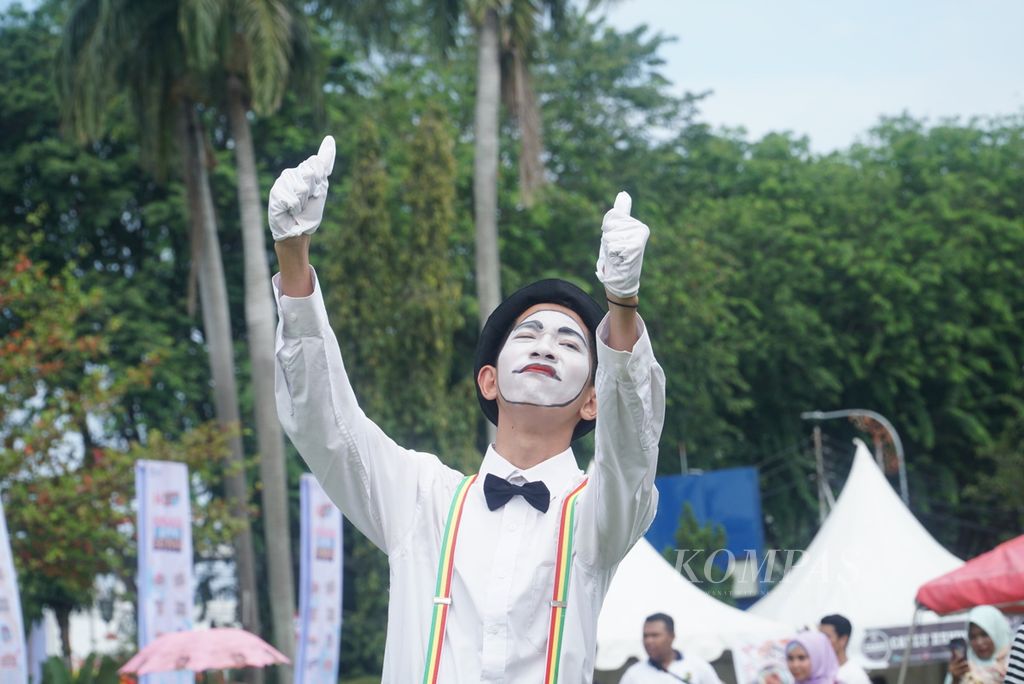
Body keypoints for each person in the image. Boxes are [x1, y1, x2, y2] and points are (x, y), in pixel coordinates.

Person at [269, 136, 665, 682]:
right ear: (488, 380)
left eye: (571, 344)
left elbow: (632, 451)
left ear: (594, 398)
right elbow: (325, 424)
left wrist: (622, 302)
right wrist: (293, 254)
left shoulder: (599, 515)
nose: (547, 345)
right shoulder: (420, 497)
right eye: (528, 335)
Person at [619, 613, 722, 684]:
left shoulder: (697, 666)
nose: (649, 641)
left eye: (655, 635)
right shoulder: (633, 674)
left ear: (671, 636)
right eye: (645, 636)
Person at [946, 605, 1013, 684]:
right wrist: (955, 680)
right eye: (972, 637)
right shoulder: (962, 669)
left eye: (984, 635)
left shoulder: (1015, 664)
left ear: (998, 633)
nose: (979, 642)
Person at [819, 614, 871, 684]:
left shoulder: (856, 676)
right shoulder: (815, 670)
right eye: (819, 636)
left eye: (826, 636)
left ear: (843, 640)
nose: (820, 640)